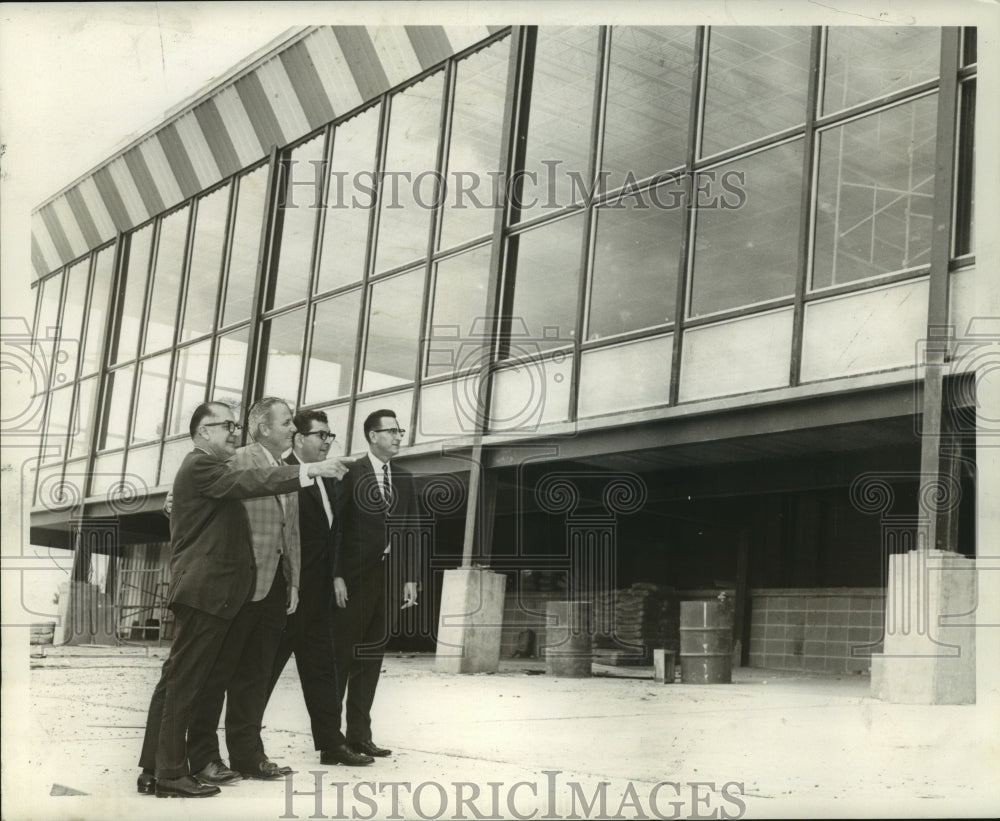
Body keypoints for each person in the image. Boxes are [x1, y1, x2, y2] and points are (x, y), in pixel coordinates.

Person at [137, 401, 349, 798]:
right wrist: (310, 469)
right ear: (203, 431)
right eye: (226, 426)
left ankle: (155, 769)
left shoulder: (209, 467)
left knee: (177, 682)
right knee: (186, 683)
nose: (234, 433)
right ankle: (169, 771)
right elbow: (248, 482)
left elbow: (278, 521)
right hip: (208, 590)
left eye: (236, 426)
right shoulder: (206, 465)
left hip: (226, 588)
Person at [185, 397, 334, 783]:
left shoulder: (285, 469)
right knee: (217, 675)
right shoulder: (238, 460)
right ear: (264, 428)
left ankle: (249, 756)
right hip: (238, 587)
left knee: (255, 675)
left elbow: (293, 531)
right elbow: (199, 496)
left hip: (275, 587)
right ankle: (203, 756)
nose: (293, 429)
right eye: (286, 422)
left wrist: (295, 581)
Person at [264, 409, 374, 767]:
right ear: (298, 439)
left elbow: (335, 535)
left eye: (330, 436)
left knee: (323, 674)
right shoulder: (281, 475)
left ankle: (332, 745)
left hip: (319, 599)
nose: (328, 441)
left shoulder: (330, 480)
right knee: (263, 674)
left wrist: (337, 575)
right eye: (321, 435)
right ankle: (245, 747)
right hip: (287, 598)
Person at [331, 409, 420, 760]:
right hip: (352, 580)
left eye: (400, 431)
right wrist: (336, 574)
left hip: (389, 579)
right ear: (372, 436)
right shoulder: (350, 472)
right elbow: (336, 526)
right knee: (341, 658)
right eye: (391, 431)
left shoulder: (404, 477)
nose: (398, 436)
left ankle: (360, 736)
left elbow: (412, 529)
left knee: (370, 658)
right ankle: (331, 738)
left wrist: (410, 577)